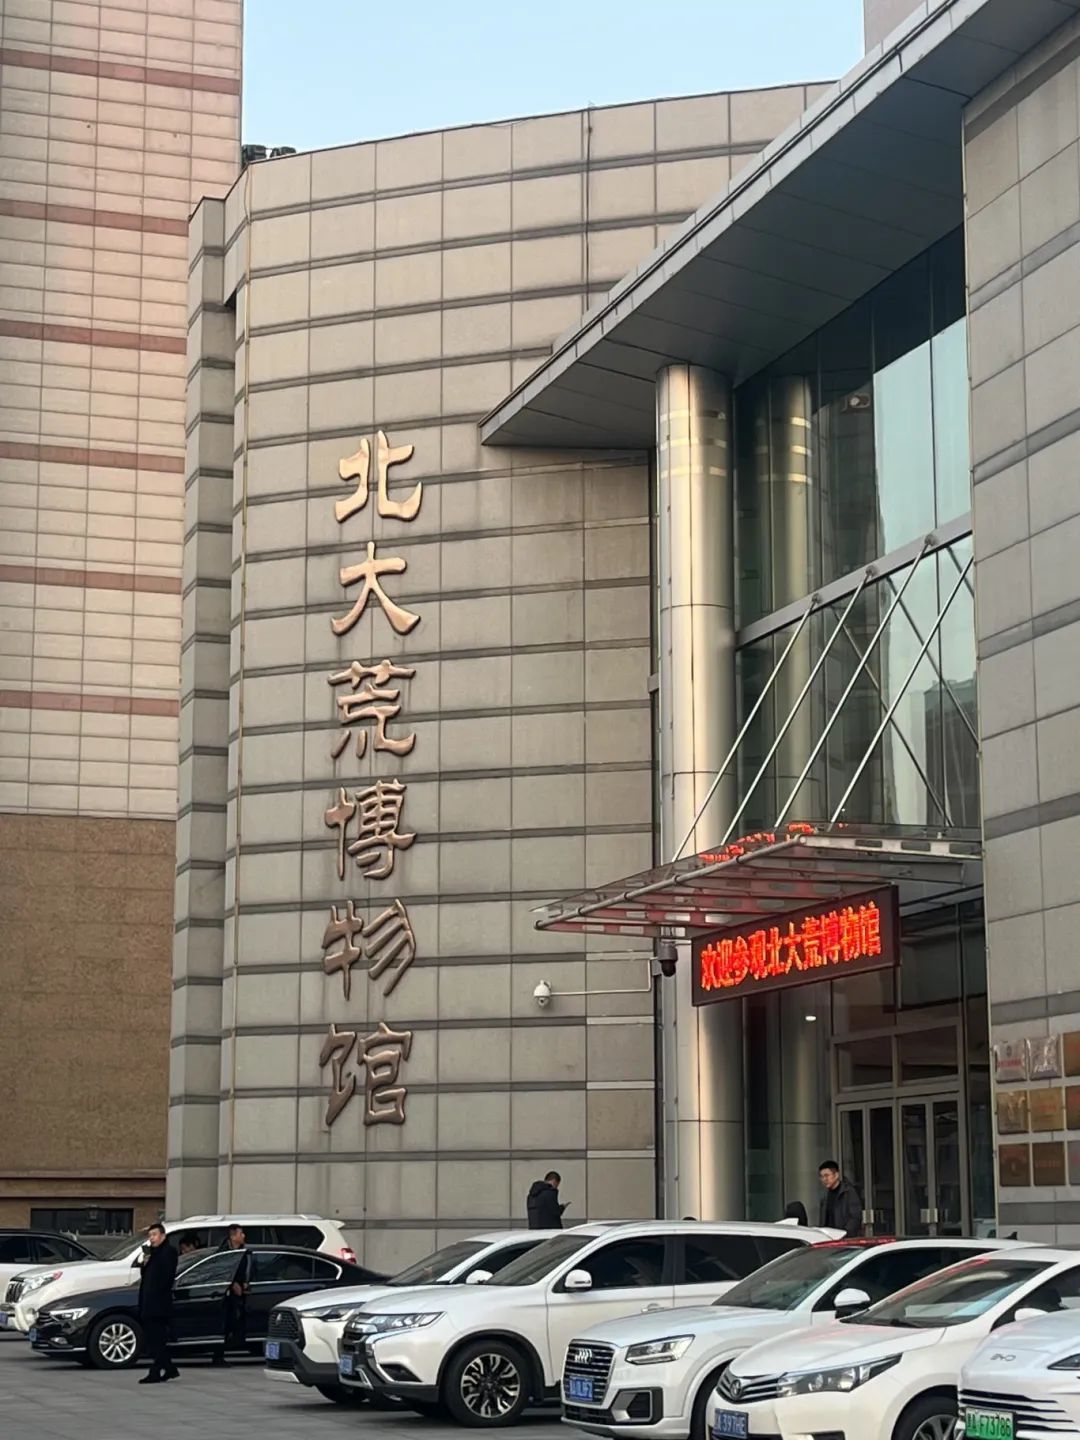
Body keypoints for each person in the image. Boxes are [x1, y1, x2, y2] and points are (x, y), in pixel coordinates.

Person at [137, 1223, 179, 1384]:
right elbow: (146, 1275)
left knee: (157, 1339)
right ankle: (169, 1368)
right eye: (150, 1236)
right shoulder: (151, 1253)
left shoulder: (168, 1252)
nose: (152, 1238)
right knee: (154, 1339)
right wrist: (145, 1262)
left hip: (159, 1303)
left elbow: (166, 1277)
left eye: (154, 1235)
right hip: (148, 1301)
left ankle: (155, 1372)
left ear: (163, 1236)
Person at [215, 1224, 249, 1364]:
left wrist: (244, 1282)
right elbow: (221, 1271)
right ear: (233, 1236)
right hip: (224, 1293)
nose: (243, 1236)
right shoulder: (224, 1253)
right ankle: (218, 1355)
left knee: (235, 1321)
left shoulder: (243, 1251)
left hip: (239, 1293)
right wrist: (232, 1283)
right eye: (241, 1233)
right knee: (224, 1323)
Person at [817, 1160, 863, 1237]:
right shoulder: (825, 1196)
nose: (824, 1179)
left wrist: (845, 1235)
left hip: (844, 1238)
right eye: (822, 1177)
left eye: (827, 1175)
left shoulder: (848, 1192)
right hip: (828, 1237)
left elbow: (855, 1217)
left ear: (836, 1175)